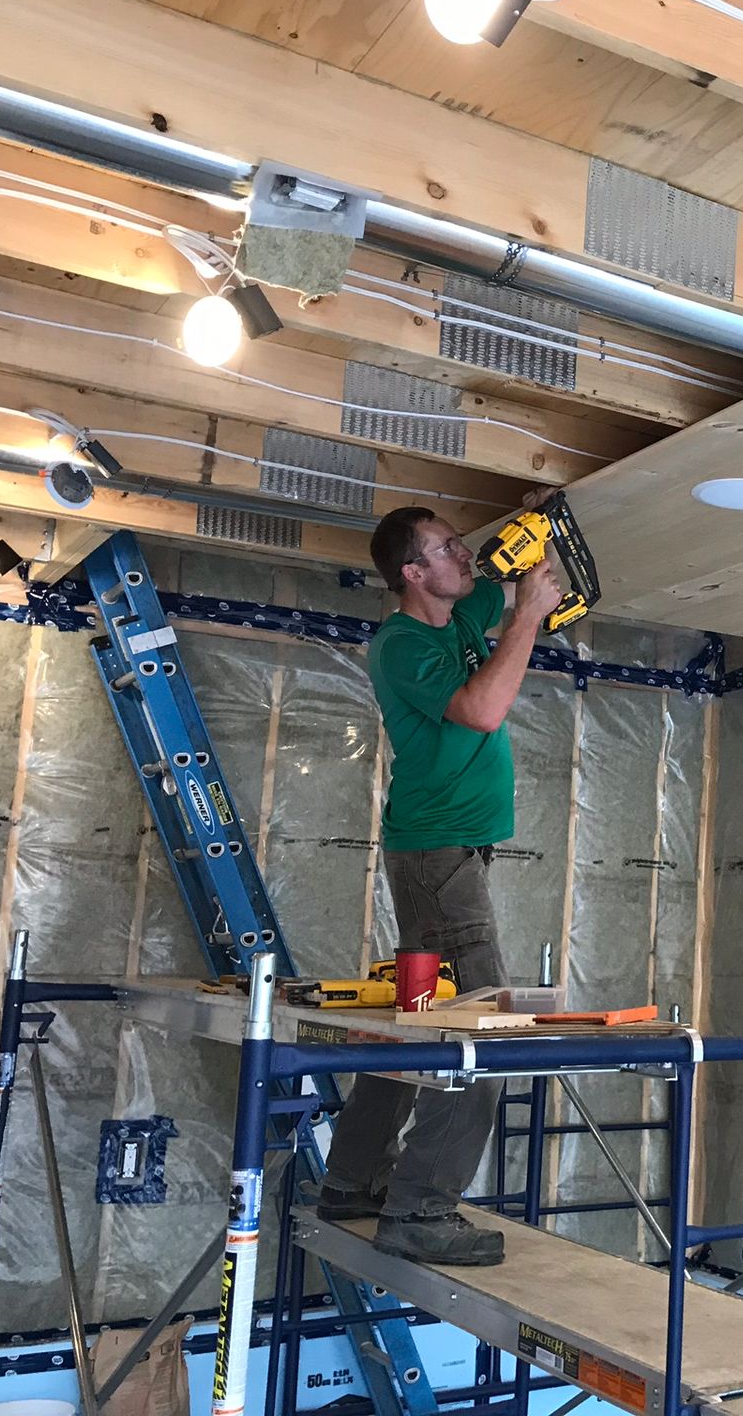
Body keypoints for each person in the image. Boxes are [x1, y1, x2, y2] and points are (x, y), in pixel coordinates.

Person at [316, 506, 562, 1266]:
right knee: (485, 1036)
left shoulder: (461, 612)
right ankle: (420, 1209)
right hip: (436, 857)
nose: (464, 554)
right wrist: (528, 615)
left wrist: (534, 546)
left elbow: (504, 583)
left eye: (460, 540)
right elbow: (483, 708)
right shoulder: (401, 645)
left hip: (446, 856)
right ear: (411, 575)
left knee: (417, 1025)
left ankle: (353, 1183)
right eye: (446, 549)